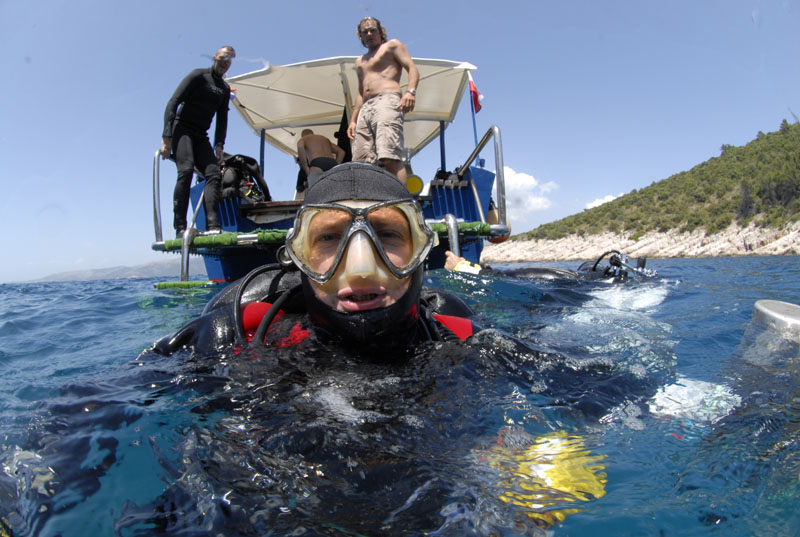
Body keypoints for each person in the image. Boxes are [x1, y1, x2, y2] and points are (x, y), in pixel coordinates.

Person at [153, 162, 477, 356]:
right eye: (328, 237)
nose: (361, 269)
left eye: (388, 234)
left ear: (420, 250)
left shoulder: (463, 340)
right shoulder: (238, 339)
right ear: (298, 255)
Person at [160, 45, 236, 237]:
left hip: (201, 135)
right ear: (214, 58)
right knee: (185, 170)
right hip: (182, 128)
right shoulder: (198, 76)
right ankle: (180, 227)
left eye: (228, 61)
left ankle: (212, 226)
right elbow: (173, 102)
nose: (224, 64)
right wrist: (166, 137)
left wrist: (219, 145)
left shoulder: (224, 89)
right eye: (222, 59)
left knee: (214, 173)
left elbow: (222, 120)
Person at [347, 17, 419, 186]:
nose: (370, 34)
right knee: (361, 163)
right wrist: (352, 120)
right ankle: (368, 203)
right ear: (361, 36)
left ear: (381, 32)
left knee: (389, 156)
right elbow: (359, 92)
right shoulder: (360, 61)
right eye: (365, 32)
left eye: (373, 30)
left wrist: (410, 91)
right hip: (365, 108)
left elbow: (412, 68)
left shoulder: (391, 46)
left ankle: (400, 203)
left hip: (387, 100)